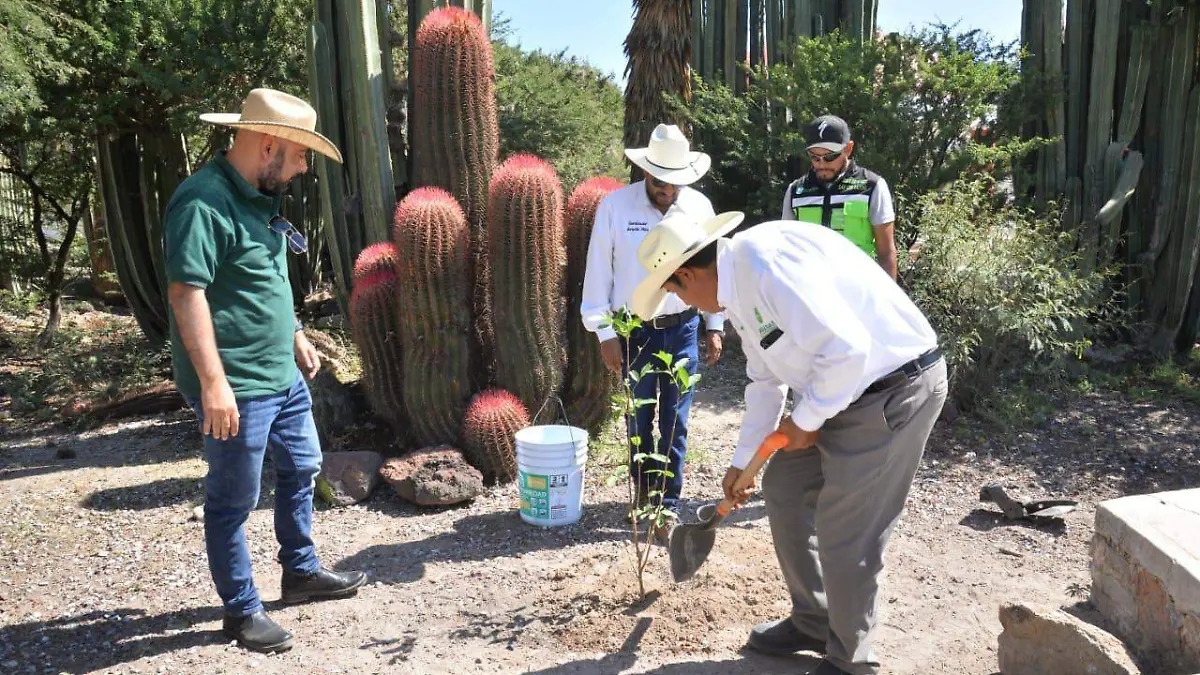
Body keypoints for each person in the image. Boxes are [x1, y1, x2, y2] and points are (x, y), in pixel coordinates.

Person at [631, 212, 948, 675]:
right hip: (843, 392)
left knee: (847, 529)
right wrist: (743, 464)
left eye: (676, 290)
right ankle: (815, 620)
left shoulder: (766, 266)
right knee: (783, 487)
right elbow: (765, 382)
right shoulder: (736, 287)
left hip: (892, 390)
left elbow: (849, 350)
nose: (684, 301)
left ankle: (851, 662)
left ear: (687, 272)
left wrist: (807, 419)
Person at [164, 88, 367, 654]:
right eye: (301, 155)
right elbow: (186, 294)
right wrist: (212, 383)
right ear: (270, 145)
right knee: (234, 500)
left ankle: (299, 573)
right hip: (237, 386)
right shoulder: (202, 203)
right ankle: (241, 610)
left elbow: (267, 279)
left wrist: (296, 333)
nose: (304, 169)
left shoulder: (260, 197)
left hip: (281, 375)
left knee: (303, 467)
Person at [580, 123, 726, 533]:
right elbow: (598, 275)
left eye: (675, 183)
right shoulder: (615, 207)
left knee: (676, 421)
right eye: (661, 181)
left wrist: (714, 325)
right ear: (647, 172)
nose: (668, 190)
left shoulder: (699, 208)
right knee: (640, 418)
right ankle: (643, 500)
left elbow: (713, 271)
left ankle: (669, 504)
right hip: (634, 330)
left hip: (683, 327)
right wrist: (605, 333)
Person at [782, 114, 899, 280]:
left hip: (858, 292)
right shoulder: (795, 190)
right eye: (815, 157)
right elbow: (787, 250)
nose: (822, 164)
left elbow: (886, 253)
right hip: (810, 292)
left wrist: (888, 302)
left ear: (848, 149)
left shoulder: (873, 186)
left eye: (830, 157)